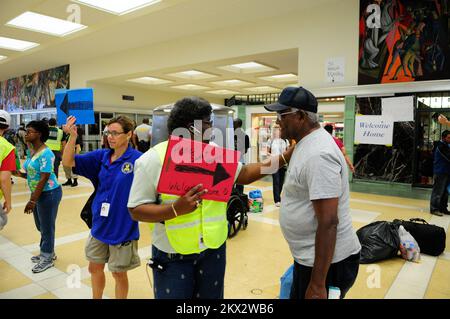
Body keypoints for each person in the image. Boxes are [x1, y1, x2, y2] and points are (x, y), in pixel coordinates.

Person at [127, 96, 294, 299]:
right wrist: (175, 209)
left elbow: (246, 174)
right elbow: (135, 209)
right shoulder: (153, 160)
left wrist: (286, 156)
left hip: (213, 250)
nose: (212, 129)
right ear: (192, 127)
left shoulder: (215, 154)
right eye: (208, 124)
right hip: (172, 256)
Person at [264, 86, 361, 299]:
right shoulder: (304, 145)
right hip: (310, 258)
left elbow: (328, 222)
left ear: (300, 116)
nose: (277, 120)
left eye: (282, 114)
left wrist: (317, 284)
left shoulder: (319, 155)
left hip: (329, 266)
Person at [62, 115, 142, 299]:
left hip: (123, 226)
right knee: (94, 267)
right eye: (108, 133)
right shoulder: (101, 156)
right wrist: (72, 137)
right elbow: (68, 162)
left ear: (129, 134)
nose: (110, 137)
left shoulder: (139, 160)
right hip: (100, 223)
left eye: (115, 133)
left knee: (118, 273)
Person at [14, 120, 62, 273]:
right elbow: (31, 174)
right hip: (38, 193)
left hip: (49, 193)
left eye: (30, 131)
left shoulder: (46, 153)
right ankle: (47, 251)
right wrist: (16, 173)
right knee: (41, 225)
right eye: (26, 131)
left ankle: (47, 257)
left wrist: (32, 200)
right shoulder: (32, 151)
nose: (26, 134)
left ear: (39, 134)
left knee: (47, 226)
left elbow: (44, 177)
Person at [0, 110, 17, 230]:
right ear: (7, 127)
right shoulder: (7, 147)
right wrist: (8, 201)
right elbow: (4, 179)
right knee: (3, 219)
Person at [429, 130, 450, 216]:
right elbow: (449, 157)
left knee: (445, 192)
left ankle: (443, 208)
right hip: (440, 172)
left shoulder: (446, 145)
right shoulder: (441, 146)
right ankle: (434, 209)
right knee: (437, 192)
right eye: (449, 137)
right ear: (443, 138)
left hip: (446, 172)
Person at [268, 125, 289, 207]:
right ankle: (277, 200)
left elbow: (287, 152)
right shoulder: (271, 140)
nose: (278, 131)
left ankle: (279, 197)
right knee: (276, 181)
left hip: (283, 163)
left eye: (280, 130)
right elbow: (267, 152)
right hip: (274, 163)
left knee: (281, 181)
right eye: (277, 130)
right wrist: (272, 156)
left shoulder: (286, 140)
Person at [233, 118, 250, 194]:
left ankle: (239, 198)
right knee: (231, 181)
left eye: (234, 123)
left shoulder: (245, 136)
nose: (232, 125)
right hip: (231, 161)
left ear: (238, 124)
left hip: (240, 161)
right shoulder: (230, 135)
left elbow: (246, 150)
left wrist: (236, 152)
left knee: (240, 182)